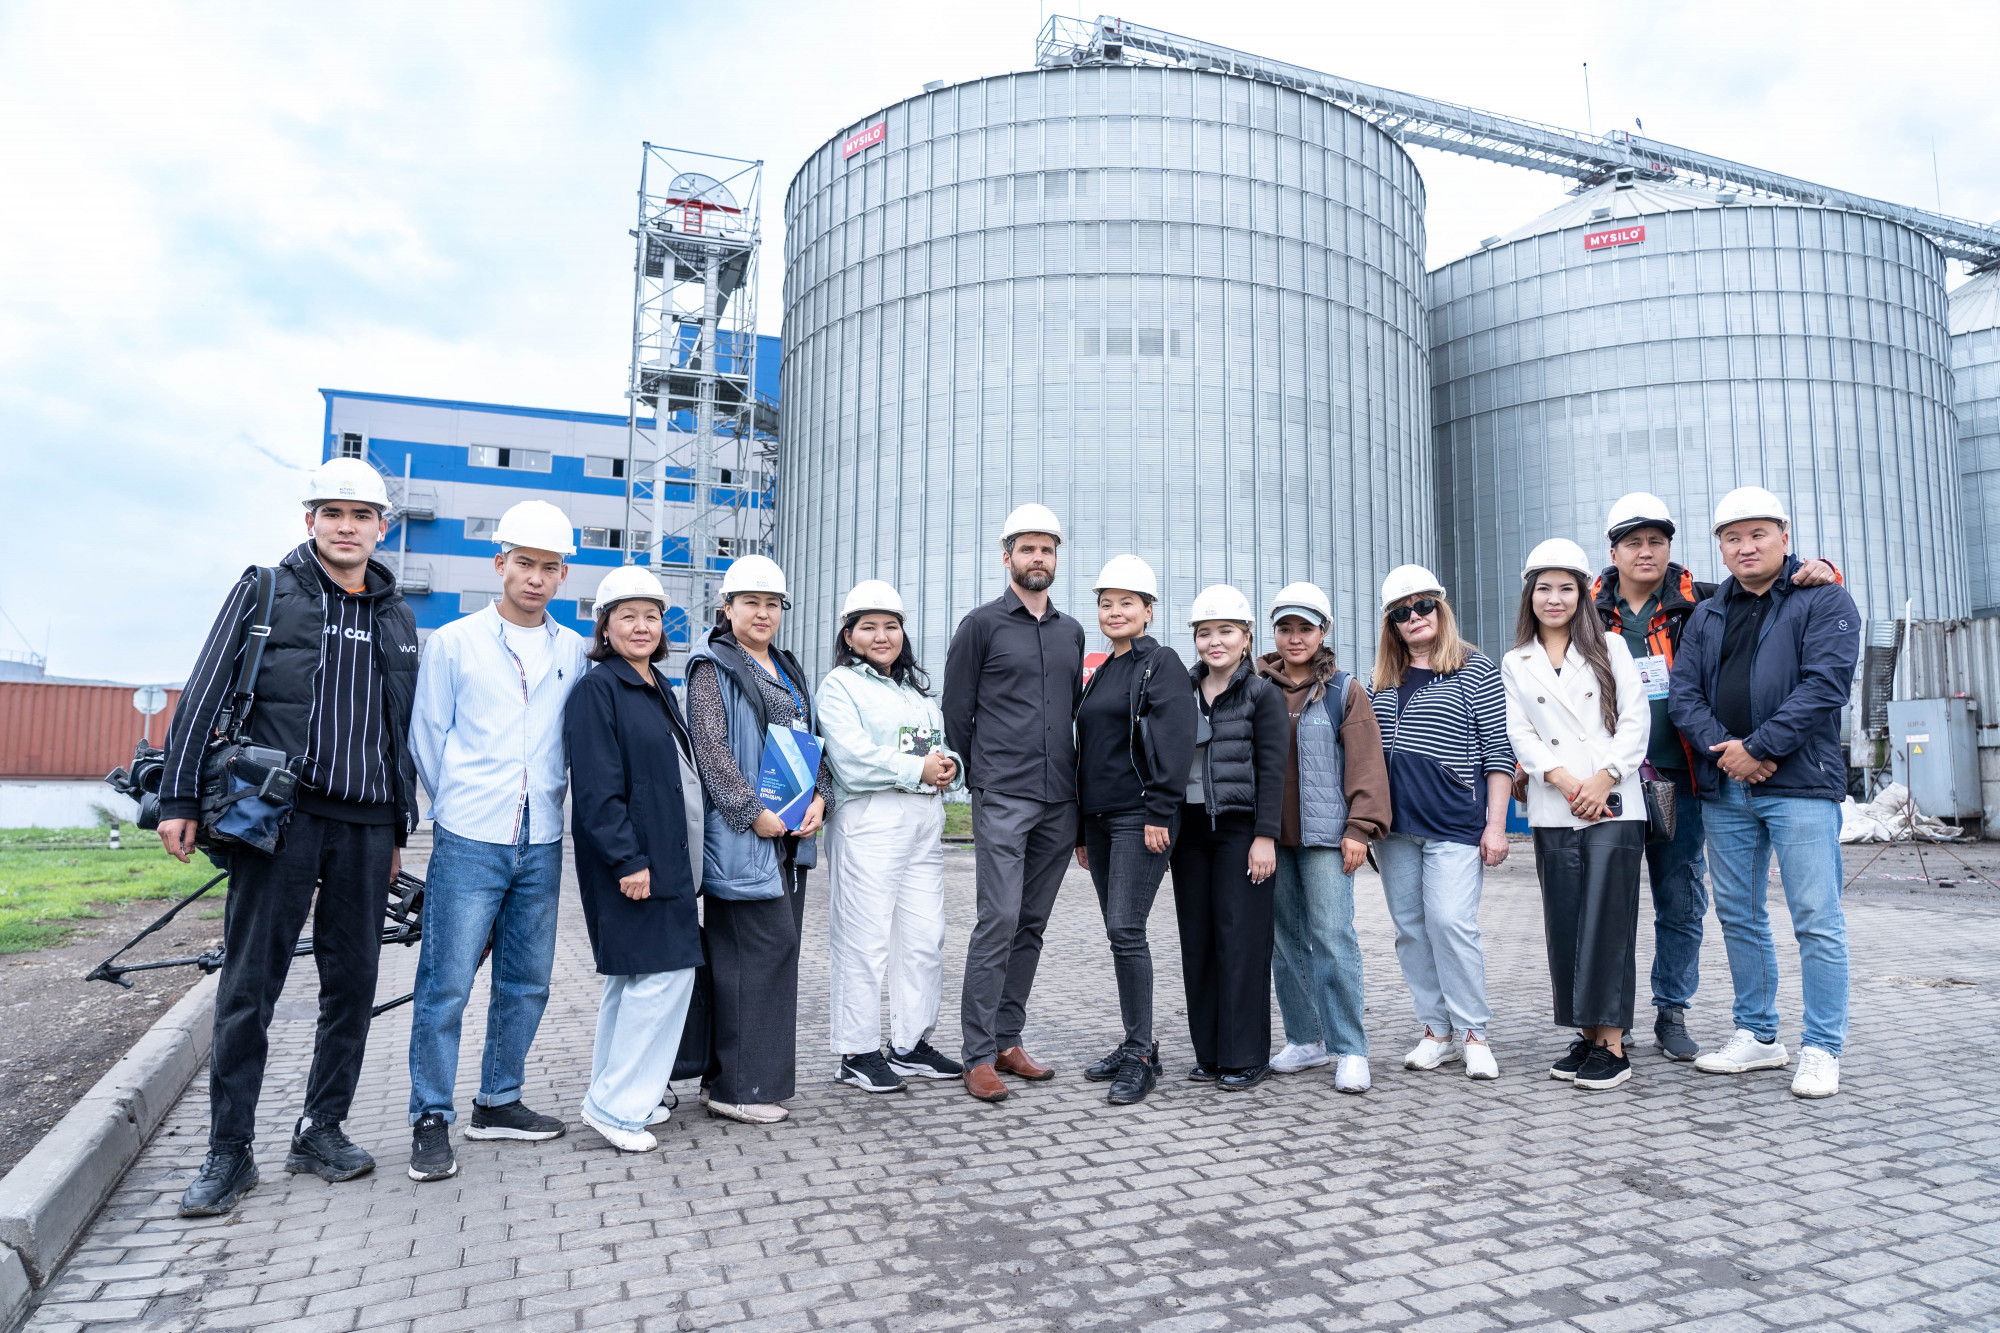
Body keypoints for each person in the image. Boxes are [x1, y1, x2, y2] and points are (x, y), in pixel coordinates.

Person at [156, 458, 419, 1217]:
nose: (346, 526)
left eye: (361, 515)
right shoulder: (266, 589)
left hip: (367, 821)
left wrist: (398, 825)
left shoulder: (397, 617)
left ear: (381, 528)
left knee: (352, 984)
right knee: (251, 984)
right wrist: (179, 795)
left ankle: (320, 1130)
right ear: (310, 520)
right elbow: (204, 688)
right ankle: (229, 1150)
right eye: (332, 512)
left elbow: (399, 730)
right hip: (279, 818)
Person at [1591, 492, 1837, 1061]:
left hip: (1685, 775)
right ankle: (1610, 1018)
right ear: (1613, 550)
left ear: (1671, 546)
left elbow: (1784, 590)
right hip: (1612, 779)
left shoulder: (1701, 601)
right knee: (1611, 905)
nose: (1646, 552)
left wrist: (1821, 568)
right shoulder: (1588, 610)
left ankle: (1671, 1010)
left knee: (1681, 901)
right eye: (1633, 542)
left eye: (1657, 541)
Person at [404, 500, 589, 1182]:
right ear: (499, 563)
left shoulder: (573, 651)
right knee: (446, 983)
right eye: (524, 564)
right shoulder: (454, 643)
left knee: (526, 981)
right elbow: (428, 736)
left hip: (542, 837)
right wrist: (458, 800)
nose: (535, 578)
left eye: (549, 567)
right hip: (470, 836)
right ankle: (430, 1115)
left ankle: (498, 1100)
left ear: (563, 574)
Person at [1669, 487, 1860, 1099]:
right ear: (1720, 547)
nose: (1745, 546)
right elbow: (1684, 697)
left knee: (1816, 918)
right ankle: (1757, 1034)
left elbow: (1825, 686)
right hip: (1727, 788)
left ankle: (1822, 1047)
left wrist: (1759, 748)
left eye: (1757, 534)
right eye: (1733, 537)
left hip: (1800, 785)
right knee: (1739, 915)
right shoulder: (1707, 614)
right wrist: (1728, 752)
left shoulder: (1823, 598)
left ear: (1784, 534)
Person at [943, 503, 1087, 1103]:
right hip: (1003, 793)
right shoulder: (981, 626)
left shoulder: (1071, 632)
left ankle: (1008, 1039)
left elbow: (1073, 712)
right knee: (998, 919)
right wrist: (981, 776)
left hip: (1059, 798)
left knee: (1030, 924)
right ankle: (977, 1055)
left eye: (1046, 549)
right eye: (1027, 548)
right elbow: (956, 710)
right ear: (1007, 557)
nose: (1038, 558)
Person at [684, 554, 830, 1124]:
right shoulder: (712, 666)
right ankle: (738, 1089)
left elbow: (809, 740)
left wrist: (820, 798)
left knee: (771, 955)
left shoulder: (786, 667)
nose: (763, 613)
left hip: (789, 835)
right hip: (745, 837)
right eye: (751, 603)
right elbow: (711, 752)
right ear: (728, 608)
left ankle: (731, 1079)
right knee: (752, 956)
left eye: (773, 604)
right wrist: (751, 813)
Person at [563, 566, 705, 1152]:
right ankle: (617, 1108)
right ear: (605, 627)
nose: (642, 626)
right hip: (634, 862)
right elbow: (597, 788)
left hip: (664, 856)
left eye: (651, 616)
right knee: (664, 977)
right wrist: (627, 860)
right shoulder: (598, 689)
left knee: (633, 982)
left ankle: (618, 1094)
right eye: (628, 616)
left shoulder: (656, 687)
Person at [1502, 539, 1651, 1092]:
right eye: (1544, 588)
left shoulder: (1611, 646)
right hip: (1555, 804)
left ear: (1584, 593)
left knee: (1607, 924)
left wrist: (1604, 778)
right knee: (1565, 923)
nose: (1555, 598)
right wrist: (1564, 782)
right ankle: (1587, 1035)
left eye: (1566, 588)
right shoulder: (1516, 660)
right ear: (1529, 595)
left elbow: (1635, 719)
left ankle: (1613, 1045)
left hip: (1612, 801)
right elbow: (1520, 732)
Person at [817, 579, 966, 1095]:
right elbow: (850, 759)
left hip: (923, 820)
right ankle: (857, 1052)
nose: (881, 636)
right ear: (849, 635)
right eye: (869, 627)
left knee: (925, 939)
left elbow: (936, 747)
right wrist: (916, 768)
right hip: (870, 820)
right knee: (865, 940)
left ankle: (909, 1044)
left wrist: (949, 765)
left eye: (891, 626)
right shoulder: (839, 686)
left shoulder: (912, 693)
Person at [1369, 565, 1514, 1081]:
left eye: (1424, 605)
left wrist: (1496, 825)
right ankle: (1437, 1032)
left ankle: (1474, 1033)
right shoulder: (1381, 680)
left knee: (1451, 924)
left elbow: (1499, 753)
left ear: (1441, 607)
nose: (1415, 617)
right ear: (1391, 624)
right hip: (1395, 831)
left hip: (1454, 825)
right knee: (1411, 931)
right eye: (1401, 612)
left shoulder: (1476, 669)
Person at [1255, 582, 1391, 1095]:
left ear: (1323, 632)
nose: (1295, 638)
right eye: (1285, 628)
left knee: (1333, 937)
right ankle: (1305, 1039)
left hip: (1327, 838)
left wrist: (1360, 829)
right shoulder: (1257, 687)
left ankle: (1350, 1048)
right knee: (1284, 941)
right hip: (1271, 837)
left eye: (1305, 628)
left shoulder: (1343, 691)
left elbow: (1366, 765)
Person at [1073, 556, 1197, 1106]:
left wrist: (1160, 812)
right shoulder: (1102, 670)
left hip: (1139, 815)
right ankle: (1134, 1042)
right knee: (1117, 932)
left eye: (1127, 602)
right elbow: (1088, 753)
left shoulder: (1160, 662)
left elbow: (1176, 740)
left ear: (1148, 611)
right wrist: (1080, 828)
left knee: (1127, 928)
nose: (1115, 611)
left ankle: (1142, 1054)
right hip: (1099, 820)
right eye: (1107, 603)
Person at [1170, 585, 1289, 1092]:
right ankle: (1211, 1054)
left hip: (1241, 830)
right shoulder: (1180, 692)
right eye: (1204, 633)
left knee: (1241, 941)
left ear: (1246, 637)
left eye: (1225, 631)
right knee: (1198, 943)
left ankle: (1246, 1056)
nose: (1214, 642)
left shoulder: (1262, 694)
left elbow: (1274, 772)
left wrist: (1265, 837)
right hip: (1190, 831)